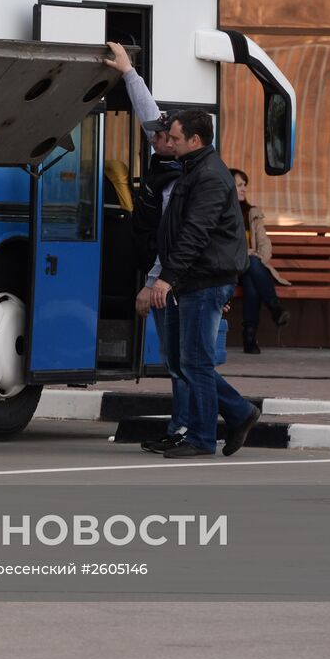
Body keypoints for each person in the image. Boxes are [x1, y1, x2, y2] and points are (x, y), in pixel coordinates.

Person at [148, 109, 261, 459]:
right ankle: (239, 413)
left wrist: (166, 277)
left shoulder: (209, 176)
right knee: (184, 361)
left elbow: (196, 233)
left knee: (194, 362)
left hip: (203, 280)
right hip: (192, 279)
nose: (170, 143)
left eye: (176, 139)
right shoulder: (194, 170)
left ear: (195, 141)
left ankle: (202, 436)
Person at [103, 42, 188, 455]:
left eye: (165, 135)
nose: (155, 137)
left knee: (183, 363)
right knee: (181, 362)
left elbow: (170, 238)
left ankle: (206, 421)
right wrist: (128, 73)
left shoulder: (178, 181)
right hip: (168, 275)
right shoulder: (167, 160)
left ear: (182, 142)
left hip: (172, 280)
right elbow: (146, 115)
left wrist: (153, 281)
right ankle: (183, 426)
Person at [229, 168, 291, 353]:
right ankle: (274, 308)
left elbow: (264, 243)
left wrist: (258, 256)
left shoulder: (252, 213)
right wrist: (246, 253)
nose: (243, 189)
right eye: (239, 185)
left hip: (250, 268)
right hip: (229, 268)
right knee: (252, 267)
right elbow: (223, 245)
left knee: (251, 280)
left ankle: (250, 336)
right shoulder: (221, 213)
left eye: (244, 186)